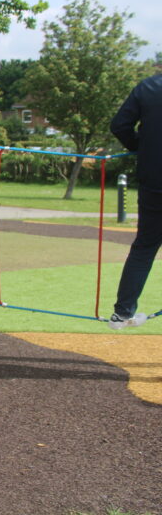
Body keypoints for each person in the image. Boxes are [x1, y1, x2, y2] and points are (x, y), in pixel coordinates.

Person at [107, 72, 162, 329]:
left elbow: (119, 125)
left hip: (154, 181)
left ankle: (123, 312)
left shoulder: (148, 87)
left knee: (144, 248)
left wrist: (140, 145)